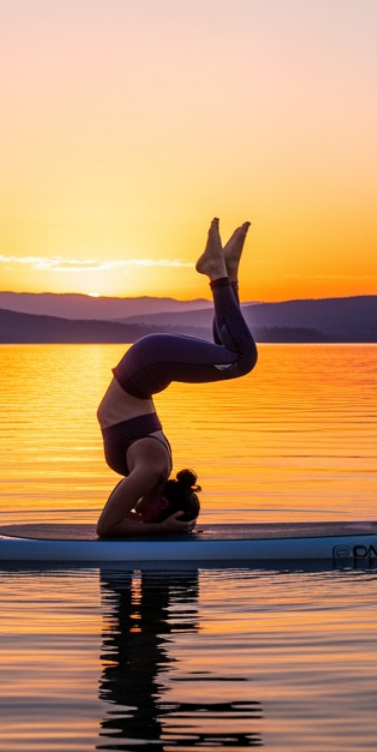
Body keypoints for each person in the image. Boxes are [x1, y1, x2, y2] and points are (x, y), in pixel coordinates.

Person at [95, 219, 257, 537]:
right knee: (241, 359)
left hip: (147, 366)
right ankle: (220, 273)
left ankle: (227, 273)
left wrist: (155, 525)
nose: (145, 515)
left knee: (233, 354)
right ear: (163, 506)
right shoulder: (151, 471)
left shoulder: (150, 472)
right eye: (154, 515)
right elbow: (107, 527)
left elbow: (110, 523)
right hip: (147, 365)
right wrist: (162, 529)